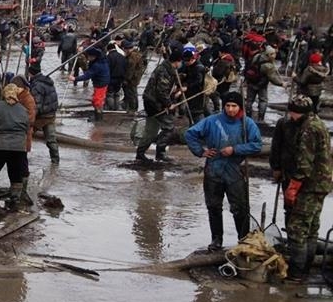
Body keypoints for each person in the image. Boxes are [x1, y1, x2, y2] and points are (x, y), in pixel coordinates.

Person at [184, 91, 262, 252]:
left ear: (239, 107)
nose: (231, 109)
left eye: (234, 106)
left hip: (235, 170)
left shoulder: (247, 124)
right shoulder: (212, 121)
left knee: (240, 208)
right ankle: (216, 239)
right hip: (214, 169)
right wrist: (200, 151)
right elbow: (190, 134)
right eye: (227, 105)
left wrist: (235, 149)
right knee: (213, 206)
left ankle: (243, 240)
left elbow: (257, 145)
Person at [279, 95, 332, 279]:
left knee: (297, 228)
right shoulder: (317, 123)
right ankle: (305, 270)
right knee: (311, 228)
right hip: (322, 183)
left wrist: (292, 188)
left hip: (310, 186)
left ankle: (296, 274)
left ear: (298, 112)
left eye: (292, 112)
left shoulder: (308, 129)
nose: (290, 116)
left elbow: (304, 165)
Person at [135, 48, 184, 162]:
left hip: (152, 101)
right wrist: (169, 104)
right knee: (168, 128)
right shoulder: (164, 71)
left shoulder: (168, 68)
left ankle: (141, 153)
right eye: (180, 62)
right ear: (176, 61)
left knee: (152, 129)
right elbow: (161, 91)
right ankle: (159, 153)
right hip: (154, 103)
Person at [27, 61, 59, 164]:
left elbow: (36, 105)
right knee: (51, 139)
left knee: (26, 134)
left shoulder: (37, 86)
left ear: (31, 73)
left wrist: (30, 119)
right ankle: (55, 160)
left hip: (42, 116)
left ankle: (21, 157)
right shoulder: (48, 81)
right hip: (51, 115)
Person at [244, 45, 285, 123]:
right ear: (268, 54)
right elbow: (273, 78)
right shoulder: (268, 66)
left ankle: (248, 116)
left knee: (249, 100)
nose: (275, 56)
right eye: (273, 54)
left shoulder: (257, 56)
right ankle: (261, 117)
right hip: (261, 85)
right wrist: (281, 84)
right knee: (263, 100)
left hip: (251, 81)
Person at [69, 47, 109, 121]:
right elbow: (95, 49)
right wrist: (83, 49)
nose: (88, 58)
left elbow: (87, 75)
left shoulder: (97, 65)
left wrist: (75, 78)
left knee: (97, 102)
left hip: (101, 84)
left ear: (94, 56)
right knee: (95, 100)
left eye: (89, 56)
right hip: (100, 83)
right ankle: (97, 115)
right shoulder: (101, 59)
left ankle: (99, 118)